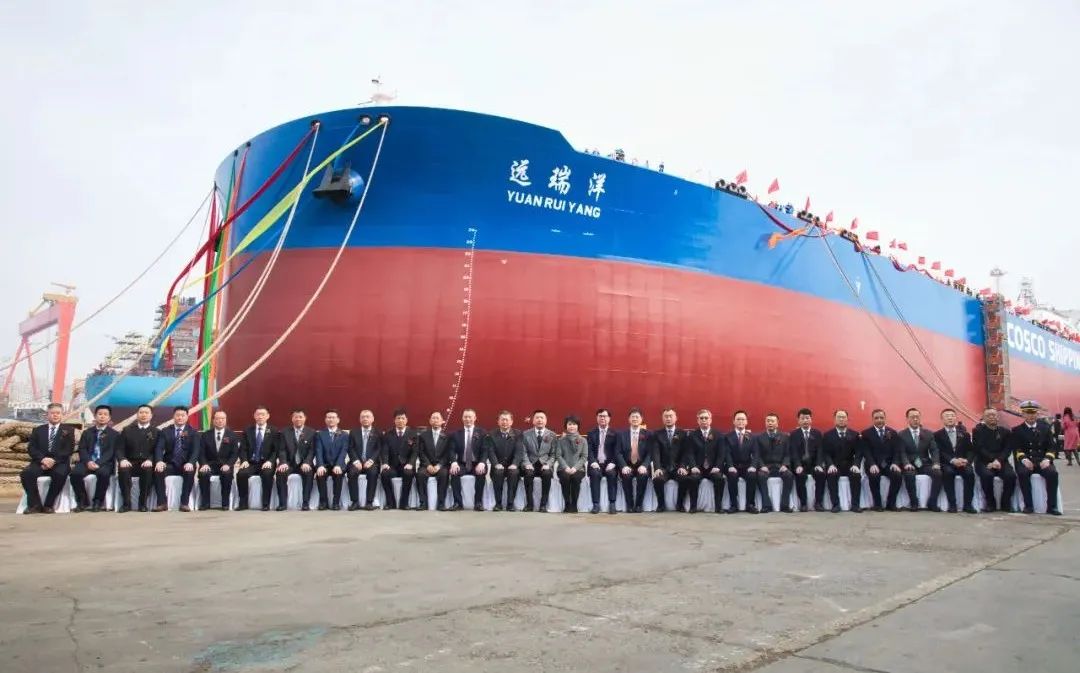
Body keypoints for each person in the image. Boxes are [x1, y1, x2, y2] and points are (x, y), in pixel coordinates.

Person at [20, 402, 74, 514]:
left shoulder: (68, 430)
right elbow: (32, 448)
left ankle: (48, 505)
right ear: (47, 415)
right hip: (40, 462)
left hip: (59, 463)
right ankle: (34, 505)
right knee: (26, 474)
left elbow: (68, 449)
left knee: (60, 474)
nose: (55, 415)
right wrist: (43, 459)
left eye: (58, 413)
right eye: (52, 413)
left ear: (62, 414)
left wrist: (53, 461)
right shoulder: (38, 430)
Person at [1011, 401, 1061, 515]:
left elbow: (1052, 447)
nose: (1031, 416)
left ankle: (1052, 506)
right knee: (1023, 473)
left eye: (1033, 413)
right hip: (1026, 460)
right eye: (1028, 413)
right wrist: (1024, 459)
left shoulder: (1045, 428)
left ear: (1037, 414)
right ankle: (1028, 505)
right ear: (1023, 414)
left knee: (1053, 473)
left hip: (1042, 460)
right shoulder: (1017, 430)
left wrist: (1047, 459)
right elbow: (1017, 448)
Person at [70, 404, 119, 512]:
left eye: (105, 414)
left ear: (109, 418)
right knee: (75, 473)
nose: (102, 416)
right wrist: (88, 461)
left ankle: (98, 501)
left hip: (104, 463)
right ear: (95, 416)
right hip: (87, 461)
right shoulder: (87, 432)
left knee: (104, 474)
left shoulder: (114, 434)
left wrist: (99, 463)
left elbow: (111, 452)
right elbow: (82, 449)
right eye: (100, 414)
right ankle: (82, 501)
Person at [152, 406, 198, 512]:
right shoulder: (165, 431)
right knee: (158, 470)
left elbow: (195, 450)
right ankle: (162, 503)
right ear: (173, 416)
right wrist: (159, 461)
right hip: (170, 463)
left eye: (182, 415)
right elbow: (159, 448)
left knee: (189, 471)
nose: (180, 418)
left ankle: (184, 503)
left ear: (187, 417)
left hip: (186, 464)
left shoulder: (193, 432)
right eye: (177, 415)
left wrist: (191, 462)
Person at [896, 408, 942, 512]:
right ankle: (914, 503)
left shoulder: (928, 433)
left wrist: (936, 463)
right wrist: (906, 463)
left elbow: (934, 450)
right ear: (907, 419)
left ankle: (932, 502)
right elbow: (902, 452)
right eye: (912, 417)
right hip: (910, 464)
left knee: (938, 473)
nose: (915, 419)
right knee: (909, 474)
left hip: (924, 463)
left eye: (917, 417)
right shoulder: (901, 434)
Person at [972, 408, 1016, 512]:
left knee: (1011, 476)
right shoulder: (977, 431)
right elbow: (979, 448)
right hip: (983, 461)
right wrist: (992, 460)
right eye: (989, 415)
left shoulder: (1005, 431)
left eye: (994, 415)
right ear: (984, 418)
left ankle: (1006, 502)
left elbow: (1007, 449)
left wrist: (998, 460)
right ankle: (990, 503)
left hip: (1001, 461)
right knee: (987, 475)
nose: (992, 417)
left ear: (997, 417)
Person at [117, 404, 159, 512]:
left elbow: (158, 450)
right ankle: (126, 504)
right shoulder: (127, 430)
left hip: (147, 462)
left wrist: (150, 460)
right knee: (123, 470)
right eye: (141, 412)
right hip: (130, 462)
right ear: (137, 414)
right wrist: (122, 459)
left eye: (146, 413)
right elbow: (120, 449)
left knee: (148, 470)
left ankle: (143, 504)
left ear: (151, 415)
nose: (143, 415)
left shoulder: (156, 432)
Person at [934, 408, 977, 513]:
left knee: (970, 473)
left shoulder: (964, 434)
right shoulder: (937, 435)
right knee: (948, 473)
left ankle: (968, 504)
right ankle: (952, 504)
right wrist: (952, 460)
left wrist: (967, 460)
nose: (950, 418)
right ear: (942, 419)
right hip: (947, 463)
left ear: (956, 418)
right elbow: (939, 451)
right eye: (947, 416)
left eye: (952, 415)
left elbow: (971, 450)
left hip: (962, 462)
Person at [820, 409, 863, 513]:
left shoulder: (854, 434)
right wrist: (830, 465)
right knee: (831, 475)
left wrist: (856, 465)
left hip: (850, 465)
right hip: (835, 465)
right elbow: (826, 453)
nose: (841, 419)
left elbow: (858, 452)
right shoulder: (827, 435)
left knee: (856, 475)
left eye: (843, 417)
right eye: (839, 417)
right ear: (834, 419)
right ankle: (835, 505)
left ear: (847, 419)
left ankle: (855, 505)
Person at [678, 409, 720, 513]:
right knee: (693, 479)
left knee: (720, 479)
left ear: (710, 420)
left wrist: (717, 466)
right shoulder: (692, 435)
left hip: (713, 468)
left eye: (706, 418)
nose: (704, 420)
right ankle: (693, 506)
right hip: (698, 467)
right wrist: (693, 466)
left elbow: (721, 453)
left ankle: (718, 507)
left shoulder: (718, 434)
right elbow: (690, 453)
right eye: (701, 418)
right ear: (698, 420)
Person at [236, 406, 278, 511]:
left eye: (263, 414)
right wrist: (244, 460)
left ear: (268, 416)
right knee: (241, 474)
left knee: (267, 474)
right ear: (254, 416)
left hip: (266, 462)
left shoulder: (273, 430)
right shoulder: (247, 430)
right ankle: (243, 503)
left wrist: (270, 461)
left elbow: (276, 450)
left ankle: (265, 504)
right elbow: (243, 449)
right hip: (251, 462)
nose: (260, 417)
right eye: (258, 414)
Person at [197, 410, 239, 511]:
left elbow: (234, 454)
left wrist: (228, 465)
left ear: (226, 420)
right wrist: (204, 464)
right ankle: (205, 503)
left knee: (226, 474)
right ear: (213, 420)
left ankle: (225, 503)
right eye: (218, 419)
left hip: (225, 465)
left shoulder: (232, 435)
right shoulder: (205, 435)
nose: (220, 421)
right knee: (203, 474)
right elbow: (201, 453)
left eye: (222, 418)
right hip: (209, 464)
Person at [860, 409, 902, 511]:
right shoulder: (866, 433)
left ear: (885, 418)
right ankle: (877, 504)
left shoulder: (893, 432)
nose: (879, 420)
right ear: (873, 419)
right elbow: (866, 452)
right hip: (873, 464)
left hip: (888, 464)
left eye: (881, 418)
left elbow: (897, 451)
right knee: (874, 476)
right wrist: (872, 464)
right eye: (876, 418)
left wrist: (895, 463)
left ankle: (891, 503)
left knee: (897, 475)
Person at [276, 409, 316, 511]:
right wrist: (283, 462)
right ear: (292, 419)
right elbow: (282, 450)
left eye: (300, 417)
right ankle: (282, 504)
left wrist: (307, 462)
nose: (298, 419)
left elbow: (312, 451)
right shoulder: (284, 432)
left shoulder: (311, 432)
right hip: (289, 463)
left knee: (309, 473)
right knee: (280, 473)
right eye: (295, 417)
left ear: (305, 418)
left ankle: (305, 503)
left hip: (304, 463)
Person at [753, 412, 793, 513]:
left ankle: (785, 505)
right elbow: (757, 454)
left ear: (777, 423)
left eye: (772, 421)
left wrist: (785, 465)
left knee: (789, 475)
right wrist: (762, 466)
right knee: (760, 476)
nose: (770, 423)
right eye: (768, 421)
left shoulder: (785, 437)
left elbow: (788, 454)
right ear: (765, 423)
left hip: (780, 466)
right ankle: (766, 505)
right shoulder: (759, 437)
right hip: (766, 466)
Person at [380, 409, 418, 510]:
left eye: (403, 418)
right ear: (394, 420)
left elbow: (415, 452)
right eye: (398, 418)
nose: (400, 420)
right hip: (392, 466)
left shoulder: (413, 434)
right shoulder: (388, 434)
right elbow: (385, 451)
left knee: (408, 474)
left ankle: (404, 503)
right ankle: (390, 502)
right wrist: (385, 463)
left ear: (406, 420)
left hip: (406, 466)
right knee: (384, 474)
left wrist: (411, 464)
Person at [484, 410, 521, 511]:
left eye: (507, 420)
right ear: (498, 421)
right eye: (502, 420)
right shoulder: (491, 434)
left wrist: (515, 464)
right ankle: (498, 504)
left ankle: (510, 504)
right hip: (498, 465)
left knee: (514, 473)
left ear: (511, 422)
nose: (504, 422)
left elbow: (519, 451)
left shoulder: (518, 434)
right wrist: (496, 464)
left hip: (512, 465)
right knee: (498, 472)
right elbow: (490, 451)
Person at [451, 408, 487, 511]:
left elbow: (485, 450)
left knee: (481, 473)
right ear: (462, 418)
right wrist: (454, 462)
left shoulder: (482, 433)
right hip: (462, 463)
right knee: (454, 472)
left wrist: (482, 462)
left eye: (470, 417)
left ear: (475, 418)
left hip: (477, 464)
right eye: (465, 417)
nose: (467, 419)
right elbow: (451, 450)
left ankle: (478, 503)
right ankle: (458, 503)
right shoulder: (456, 434)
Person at [616, 407, 651, 513]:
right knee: (626, 476)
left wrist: (645, 465)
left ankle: (639, 505)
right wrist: (623, 466)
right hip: (627, 464)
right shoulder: (621, 434)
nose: (635, 419)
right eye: (632, 417)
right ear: (629, 419)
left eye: (637, 417)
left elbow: (650, 453)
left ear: (641, 419)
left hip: (641, 465)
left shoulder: (648, 434)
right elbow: (618, 452)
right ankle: (630, 505)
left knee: (643, 476)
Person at [790, 408, 825, 512]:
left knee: (821, 474)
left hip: (814, 464)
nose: (805, 420)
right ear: (798, 420)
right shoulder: (794, 434)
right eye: (802, 418)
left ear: (811, 419)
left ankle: (818, 503)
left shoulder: (817, 433)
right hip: (801, 464)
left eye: (807, 418)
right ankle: (803, 504)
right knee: (800, 476)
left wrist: (819, 464)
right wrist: (797, 465)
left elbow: (820, 451)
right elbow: (793, 452)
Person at [520, 410, 556, 512]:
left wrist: (548, 464)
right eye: (537, 418)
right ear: (533, 421)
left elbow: (553, 454)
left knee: (547, 474)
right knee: (528, 474)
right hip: (531, 464)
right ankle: (529, 504)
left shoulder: (552, 435)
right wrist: (527, 463)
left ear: (546, 420)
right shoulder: (526, 434)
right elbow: (523, 452)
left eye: (542, 418)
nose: (539, 420)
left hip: (545, 464)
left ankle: (543, 505)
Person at [417, 410, 453, 511]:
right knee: (420, 474)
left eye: (437, 418)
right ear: (430, 421)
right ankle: (423, 503)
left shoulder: (448, 436)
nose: (435, 420)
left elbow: (448, 454)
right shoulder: (423, 436)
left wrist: (439, 465)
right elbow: (421, 452)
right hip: (426, 465)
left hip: (441, 465)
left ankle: (441, 504)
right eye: (433, 418)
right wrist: (428, 465)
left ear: (442, 421)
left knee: (444, 474)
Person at [314, 409, 349, 510]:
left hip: (338, 464)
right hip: (324, 464)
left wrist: (338, 465)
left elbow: (343, 451)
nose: (331, 419)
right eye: (328, 417)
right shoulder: (320, 434)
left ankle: (336, 502)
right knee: (320, 475)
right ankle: (323, 502)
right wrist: (320, 465)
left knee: (338, 475)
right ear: (325, 420)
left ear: (338, 420)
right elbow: (318, 451)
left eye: (333, 417)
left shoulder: (344, 435)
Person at [650, 407, 684, 513]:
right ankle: (661, 505)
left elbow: (685, 453)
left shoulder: (682, 433)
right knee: (657, 479)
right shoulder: (657, 434)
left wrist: (683, 467)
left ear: (676, 418)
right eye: (666, 416)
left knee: (685, 479)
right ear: (662, 418)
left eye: (670, 416)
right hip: (664, 467)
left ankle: (680, 505)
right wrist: (657, 468)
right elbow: (655, 452)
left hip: (677, 467)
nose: (668, 418)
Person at [346, 409, 382, 510]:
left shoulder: (378, 432)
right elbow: (350, 448)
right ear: (359, 419)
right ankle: (355, 502)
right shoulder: (353, 432)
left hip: (372, 462)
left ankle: (369, 502)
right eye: (363, 417)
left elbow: (379, 448)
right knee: (352, 473)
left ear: (372, 419)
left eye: (367, 417)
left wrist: (371, 460)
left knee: (373, 473)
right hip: (356, 462)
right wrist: (356, 460)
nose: (365, 419)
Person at [586, 408, 619, 514]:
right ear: (597, 418)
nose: (602, 418)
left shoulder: (615, 433)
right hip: (596, 463)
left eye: (605, 416)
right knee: (594, 474)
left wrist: (613, 462)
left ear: (609, 418)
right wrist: (593, 461)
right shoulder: (591, 433)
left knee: (612, 474)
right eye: (600, 416)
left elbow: (617, 451)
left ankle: (612, 504)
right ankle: (596, 504)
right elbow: (589, 450)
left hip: (610, 463)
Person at [723, 411, 757, 513]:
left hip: (747, 466)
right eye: (738, 419)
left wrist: (753, 466)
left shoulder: (752, 437)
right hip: (733, 465)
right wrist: (730, 466)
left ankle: (750, 504)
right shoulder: (728, 436)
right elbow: (727, 453)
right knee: (732, 475)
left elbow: (756, 454)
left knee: (752, 476)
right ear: (734, 421)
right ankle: (733, 505)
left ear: (746, 421)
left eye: (743, 419)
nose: (740, 421)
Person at [555, 415, 588, 512]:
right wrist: (565, 467)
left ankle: (574, 504)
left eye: (574, 424)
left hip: (578, 469)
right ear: (566, 426)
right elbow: (558, 455)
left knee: (576, 478)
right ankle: (567, 504)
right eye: (569, 424)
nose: (572, 426)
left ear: (578, 426)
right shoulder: (561, 440)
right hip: (563, 468)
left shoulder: (583, 440)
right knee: (565, 478)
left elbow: (584, 456)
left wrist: (575, 468)